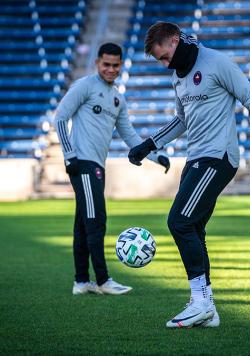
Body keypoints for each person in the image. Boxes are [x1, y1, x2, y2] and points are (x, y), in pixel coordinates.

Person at [128, 22, 250, 328]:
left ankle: (200, 302)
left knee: (178, 222)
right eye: (159, 61)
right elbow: (181, 120)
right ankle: (208, 309)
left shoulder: (217, 62)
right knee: (194, 229)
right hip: (196, 158)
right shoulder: (178, 78)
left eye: (164, 57)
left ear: (176, 41)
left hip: (218, 157)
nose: (164, 64)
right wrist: (149, 145)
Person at [54, 43, 170, 295]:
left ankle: (82, 282)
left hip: (97, 166)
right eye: (106, 64)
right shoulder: (84, 86)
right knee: (96, 222)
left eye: (115, 65)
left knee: (84, 224)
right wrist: (69, 155)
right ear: (98, 63)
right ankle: (104, 281)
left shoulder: (118, 98)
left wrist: (155, 156)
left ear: (120, 65)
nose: (110, 69)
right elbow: (60, 118)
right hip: (82, 163)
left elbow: (129, 135)